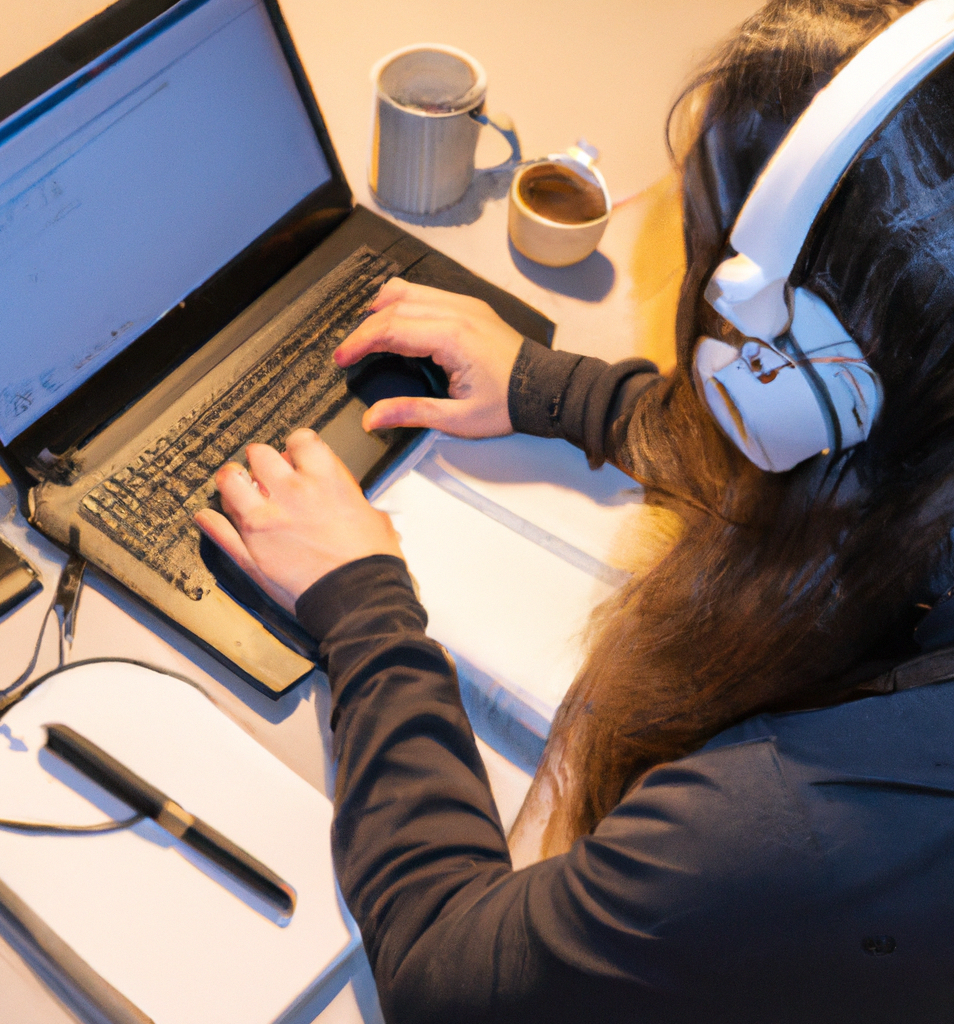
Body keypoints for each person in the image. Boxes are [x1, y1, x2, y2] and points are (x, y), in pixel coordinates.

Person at [195, 0, 954, 1019]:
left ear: (789, 381)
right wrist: (555, 390)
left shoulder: (786, 822)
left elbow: (444, 974)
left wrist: (363, 607)